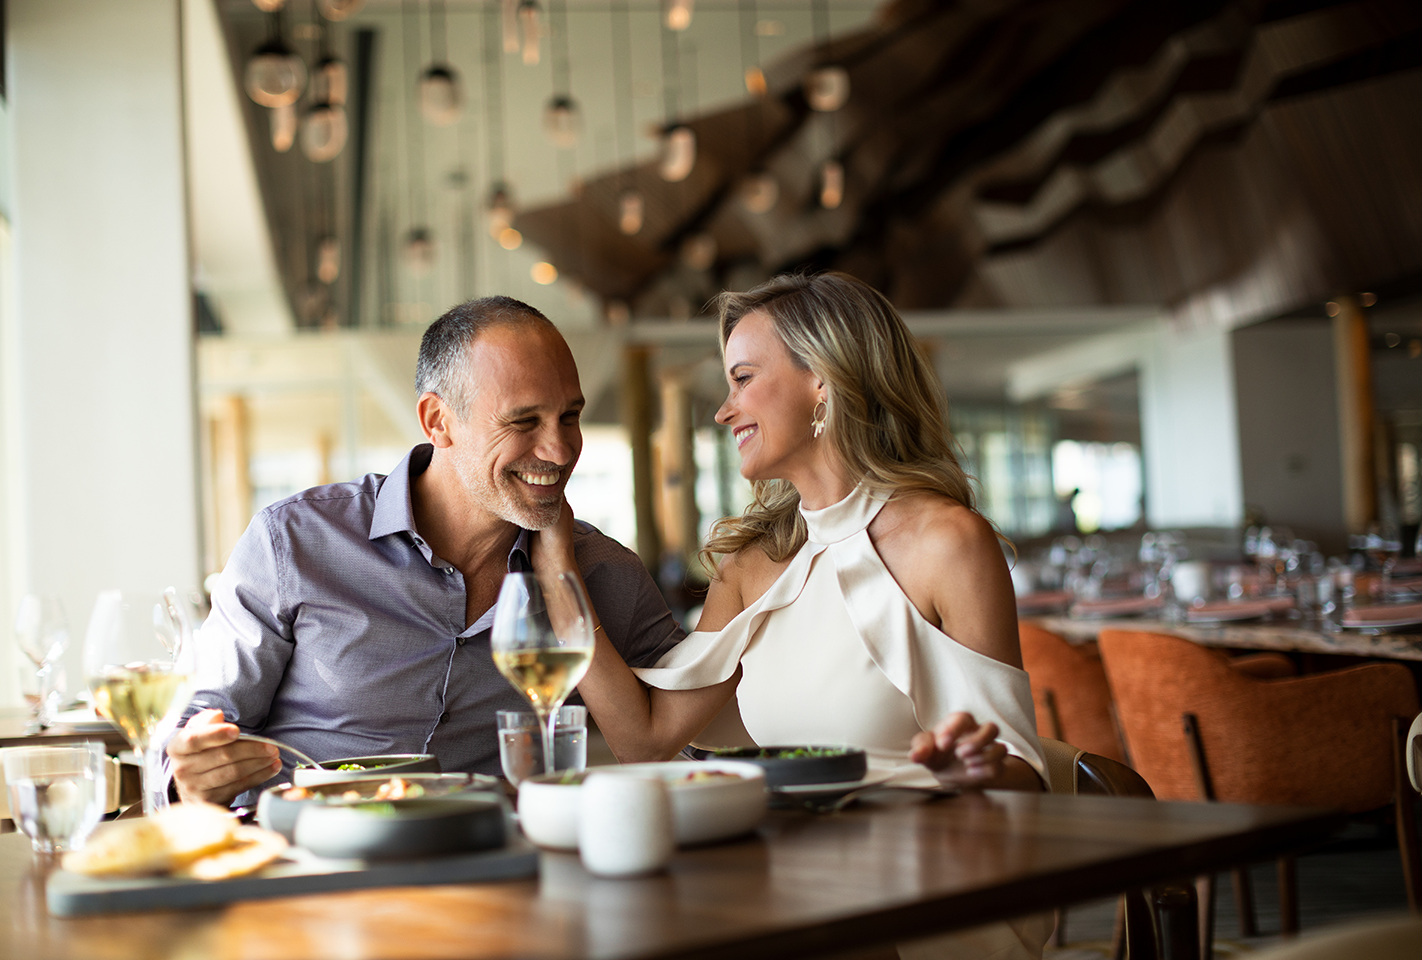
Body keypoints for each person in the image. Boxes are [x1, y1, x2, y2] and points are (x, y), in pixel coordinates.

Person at [531, 273, 1049, 959]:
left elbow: (1024, 772)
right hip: (787, 892)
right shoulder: (749, 566)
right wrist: (556, 568)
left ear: (824, 383)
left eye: (743, 378)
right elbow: (645, 741)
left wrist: (970, 771)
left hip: (928, 901)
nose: (724, 409)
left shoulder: (947, 543)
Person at [168, 297, 683, 806]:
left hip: (495, 870)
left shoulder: (603, 573)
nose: (560, 449)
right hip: (310, 862)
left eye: (569, 417)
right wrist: (188, 773)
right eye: (524, 422)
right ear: (438, 420)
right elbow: (198, 724)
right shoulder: (293, 542)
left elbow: (684, 741)